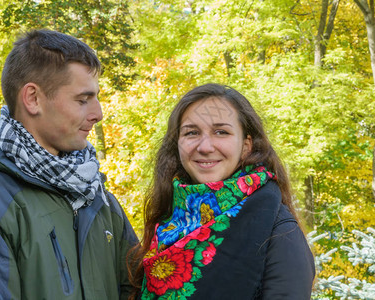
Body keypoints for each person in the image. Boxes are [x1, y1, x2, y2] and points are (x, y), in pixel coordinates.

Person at [0, 29, 137, 299]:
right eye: (83, 100)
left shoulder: (98, 197)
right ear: (33, 99)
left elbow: (135, 290)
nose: (98, 114)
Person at [130, 83, 315, 299]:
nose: (205, 146)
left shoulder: (279, 230)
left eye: (221, 132)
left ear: (246, 146)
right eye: (191, 133)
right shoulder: (167, 223)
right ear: (177, 144)